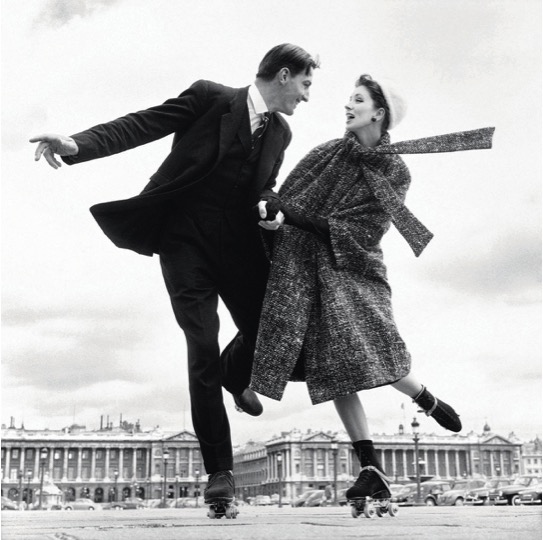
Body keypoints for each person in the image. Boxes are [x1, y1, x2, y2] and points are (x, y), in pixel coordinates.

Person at [29, 43, 319, 504]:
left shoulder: (280, 134)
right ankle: (219, 472)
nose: (306, 96)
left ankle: (233, 370)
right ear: (284, 75)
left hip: (240, 247)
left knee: (278, 330)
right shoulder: (209, 97)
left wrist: (270, 206)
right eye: (306, 84)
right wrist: (77, 143)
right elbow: (143, 123)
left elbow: (266, 186)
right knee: (201, 344)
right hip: (185, 244)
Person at [251, 74, 494, 502]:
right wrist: (273, 211)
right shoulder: (326, 152)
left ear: (378, 112)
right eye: (349, 98)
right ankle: (371, 467)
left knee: (374, 350)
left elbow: (361, 230)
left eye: (358, 100)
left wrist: (290, 213)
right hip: (307, 267)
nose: (348, 105)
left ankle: (425, 397)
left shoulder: (396, 170)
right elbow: (286, 194)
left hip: (354, 268)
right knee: (333, 370)